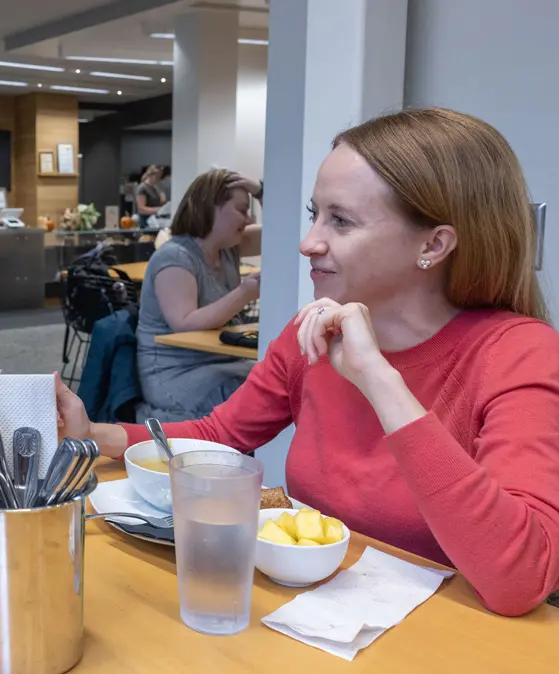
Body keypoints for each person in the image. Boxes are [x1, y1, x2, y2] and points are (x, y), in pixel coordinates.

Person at [58, 107, 559, 617]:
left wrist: (379, 379)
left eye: (340, 220)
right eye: (313, 214)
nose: (307, 243)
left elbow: (520, 579)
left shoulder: (517, 352)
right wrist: (96, 435)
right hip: (321, 619)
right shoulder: (310, 336)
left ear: (433, 244)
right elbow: (221, 436)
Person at [136, 168, 262, 422]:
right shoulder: (174, 257)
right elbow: (184, 323)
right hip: (175, 374)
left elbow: (288, 228)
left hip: (220, 362)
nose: (248, 219)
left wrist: (261, 190)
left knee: (278, 380)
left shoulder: (228, 249)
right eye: (241, 209)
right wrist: (244, 293)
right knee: (261, 394)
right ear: (212, 208)